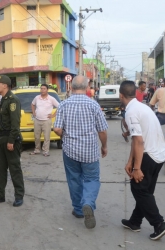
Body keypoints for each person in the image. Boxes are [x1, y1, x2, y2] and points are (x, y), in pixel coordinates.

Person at [53, 75, 108, 229]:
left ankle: (78, 210)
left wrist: (68, 136)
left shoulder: (63, 104)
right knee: (91, 178)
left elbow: (57, 129)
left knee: (74, 179)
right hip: (90, 151)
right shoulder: (94, 105)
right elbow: (102, 130)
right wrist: (104, 146)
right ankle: (88, 203)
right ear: (87, 86)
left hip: (70, 150)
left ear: (71, 87)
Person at [120, 80, 165, 241]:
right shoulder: (141, 107)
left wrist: (136, 168)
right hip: (159, 153)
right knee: (145, 190)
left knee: (139, 190)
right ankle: (135, 222)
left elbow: (139, 142)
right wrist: (130, 162)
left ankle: (159, 224)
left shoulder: (131, 112)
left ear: (121, 95)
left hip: (150, 154)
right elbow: (136, 140)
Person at [0, 75, 24, 207]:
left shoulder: (13, 100)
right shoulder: (3, 99)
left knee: (14, 168)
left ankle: (19, 196)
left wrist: (11, 141)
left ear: (5, 85)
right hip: (2, 137)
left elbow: (15, 124)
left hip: (10, 138)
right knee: (0, 169)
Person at [30, 83, 59, 156]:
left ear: (47, 90)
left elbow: (60, 106)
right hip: (37, 120)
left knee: (46, 137)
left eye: (44, 89)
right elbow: (32, 104)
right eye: (41, 88)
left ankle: (46, 151)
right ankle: (37, 150)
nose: (42, 90)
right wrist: (33, 112)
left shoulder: (51, 98)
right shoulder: (37, 98)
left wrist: (53, 115)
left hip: (46, 121)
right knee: (36, 136)